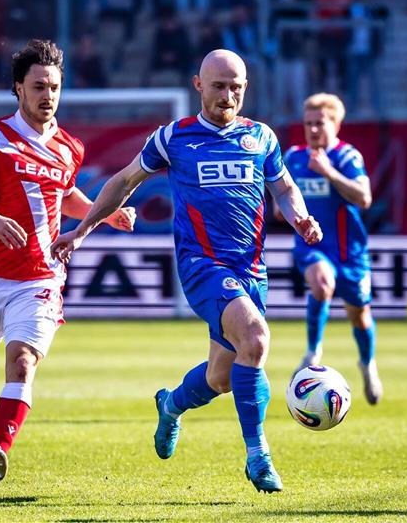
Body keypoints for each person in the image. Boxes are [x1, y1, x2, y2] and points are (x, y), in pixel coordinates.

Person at [51, 50, 322, 493]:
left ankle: (171, 405)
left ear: (246, 88)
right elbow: (124, 181)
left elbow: (285, 189)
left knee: (221, 376)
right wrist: (82, 230)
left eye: (235, 87)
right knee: (256, 338)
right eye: (218, 86)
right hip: (202, 265)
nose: (227, 95)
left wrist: (301, 218)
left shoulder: (261, 137)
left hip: (251, 270)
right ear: (198, 85)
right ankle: (259, 457)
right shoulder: (173, 138)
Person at [0, 39, 135, 491]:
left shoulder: (70, 147)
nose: (48, 96)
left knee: (23, 361)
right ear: (18, 88)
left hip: (40, 277)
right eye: (39, 87)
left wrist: (103, 214)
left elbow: (64, 194)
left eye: (55, 87)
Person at [280, 93, 383, 405]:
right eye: (308, 123)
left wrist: (328, 173)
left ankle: (367, 365)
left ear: (336, 124)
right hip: (313, 246)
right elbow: (278, 204)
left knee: (359, 315)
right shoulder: (294, 157)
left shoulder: (347, 157)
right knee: (322, 283)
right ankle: (313, 352)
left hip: (350, 252)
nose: (313, 129)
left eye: (319, 123)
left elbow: (364, 198)